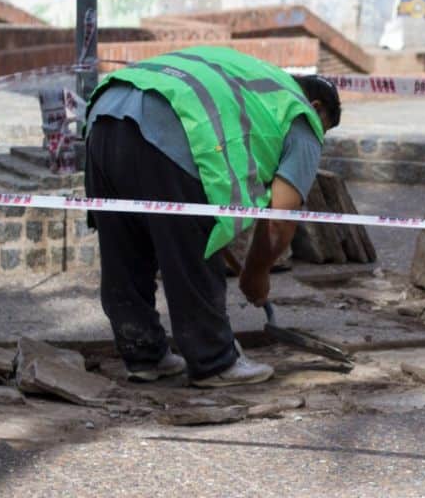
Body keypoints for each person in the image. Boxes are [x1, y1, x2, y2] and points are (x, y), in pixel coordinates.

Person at [83, 47, 342, 387]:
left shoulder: (255, 79)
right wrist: (255, 274)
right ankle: (214, 360)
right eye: (325, 129)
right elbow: (280, 218)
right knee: (194, 252)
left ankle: (144, 355)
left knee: (125, 247)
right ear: (318, 108)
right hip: (172, 123)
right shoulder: (302, 116)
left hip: (108, 112)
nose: (318, 138)